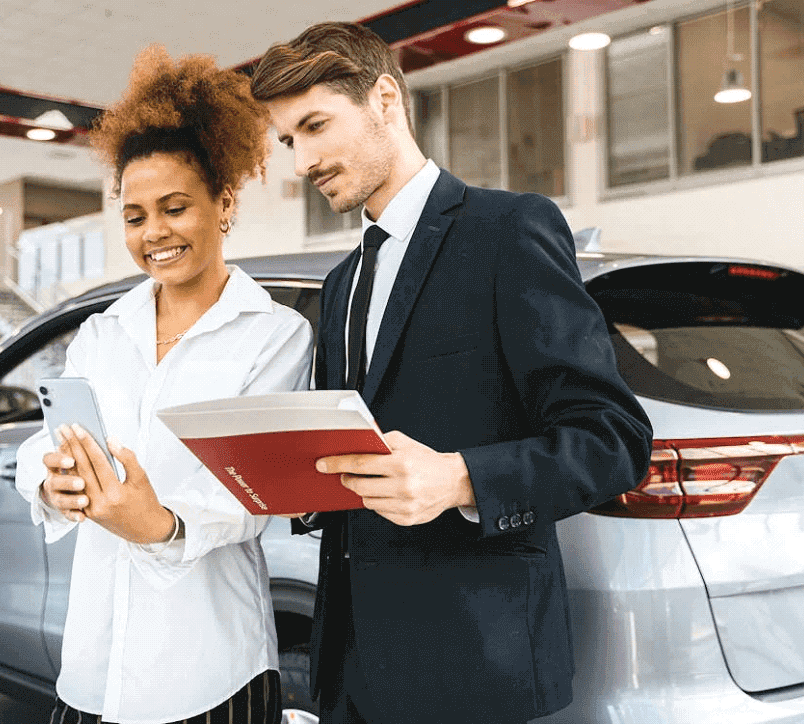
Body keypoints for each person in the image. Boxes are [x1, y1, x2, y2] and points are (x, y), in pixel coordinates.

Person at [250, 22, 653, 724]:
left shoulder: (508, 232)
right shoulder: (344, 282)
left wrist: (461, 478)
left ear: (384, 99)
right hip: (351, 670)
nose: (303, 161)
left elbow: (613, 440)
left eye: (315, 126)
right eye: (290, 141)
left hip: (474, 666)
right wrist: (299, 482)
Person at [14, 46, 313, 724]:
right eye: (135, 215)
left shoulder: (274, 337)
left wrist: (160, 524)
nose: (156, 233)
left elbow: (257, 498)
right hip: (94, 668)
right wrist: (52, 481)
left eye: (175, 207)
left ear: (224, 204)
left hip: (211, 671)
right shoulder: (101, 334)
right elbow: (45, 444)